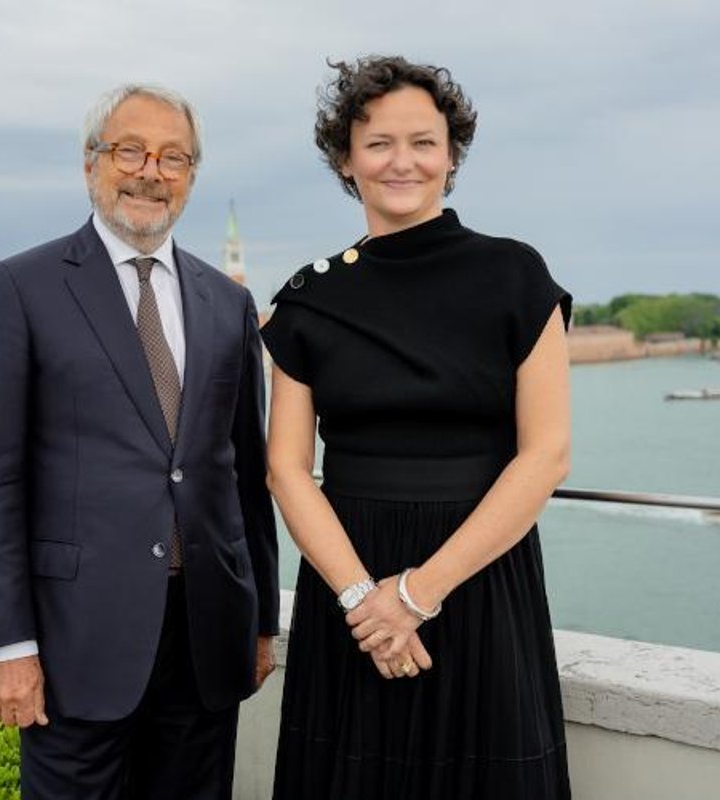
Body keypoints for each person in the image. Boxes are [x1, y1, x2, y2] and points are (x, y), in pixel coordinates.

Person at [0, 83, 279, 800]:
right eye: (130, 151)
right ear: (91, 163)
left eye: (173, 157)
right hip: (76, 644)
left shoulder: (227, 303)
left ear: (191, 175)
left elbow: (242, 474)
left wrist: (261, 621)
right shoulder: (18, 288)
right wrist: (7, 644)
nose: (150, 173)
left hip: (205, 641)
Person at [261, 56, 572, 798]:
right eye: (378, 143)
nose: (402, 161)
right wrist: (362, 601)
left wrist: (414, 596)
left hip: (479, 577)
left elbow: (547, 455)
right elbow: (286, 469)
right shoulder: (308, 301)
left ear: (451, 155)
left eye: (423, 142)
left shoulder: (516, 276)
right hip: (350, 581)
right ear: (346, 160)